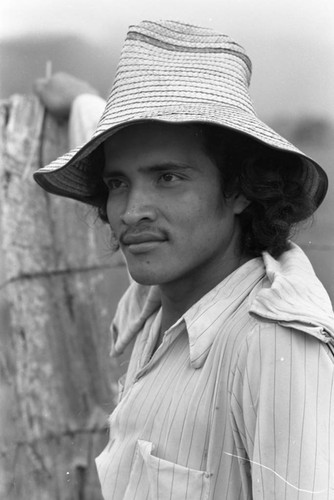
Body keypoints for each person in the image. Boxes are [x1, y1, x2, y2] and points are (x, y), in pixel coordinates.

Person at [33, 20, 334, 500]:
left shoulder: (273, 347)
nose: (131, 212)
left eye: (169, 178)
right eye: (116, 184)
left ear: (238, 188)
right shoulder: (164, 305)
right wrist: (82, 101)